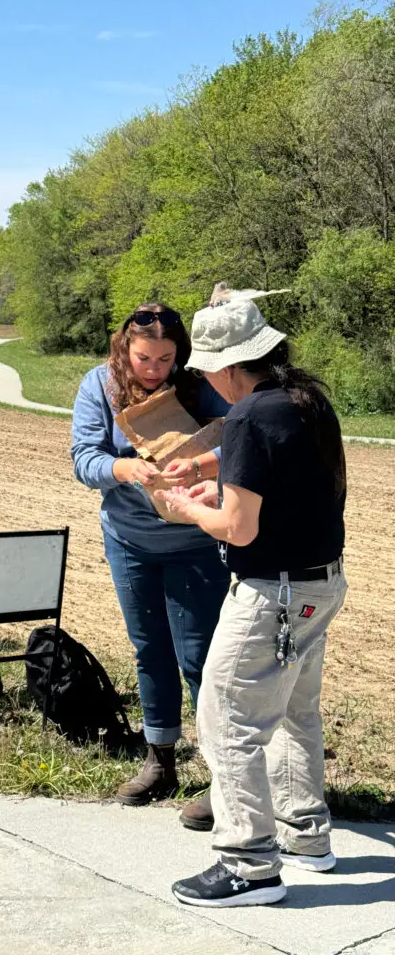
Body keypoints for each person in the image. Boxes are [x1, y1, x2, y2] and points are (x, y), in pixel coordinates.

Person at [157, 286, 347, 908]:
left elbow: (238, 527)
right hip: (320, 584)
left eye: (209, 369)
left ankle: (249, 864)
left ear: (229, 366)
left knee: (226, 716)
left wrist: (188, 509)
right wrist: (210, 469)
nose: (208, 380)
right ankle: (306, 836)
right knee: (295, 709)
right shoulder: (305, 399)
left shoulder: (246, 415)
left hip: (272, 593)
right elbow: (271, 461)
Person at [71, 303, 231, 804]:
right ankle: (160, 760)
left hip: (195, 544)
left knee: (200, 658)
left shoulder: (199, 385)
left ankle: (224, 773)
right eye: (145, 358)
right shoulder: (99, 385)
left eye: (166, 359)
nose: (155, 369)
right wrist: (124, 471)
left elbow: (240, 439)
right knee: (149, 649)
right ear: (125, 346)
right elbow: (84, 456)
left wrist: (203, 465)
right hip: (129, 541)